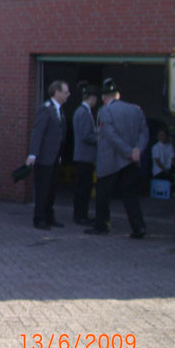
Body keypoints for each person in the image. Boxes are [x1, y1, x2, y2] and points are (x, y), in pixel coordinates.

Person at [86, 78, 149, 238]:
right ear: (117, 95)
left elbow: (110, 135)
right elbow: (144, 132)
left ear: (103, 97)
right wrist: (137, 150)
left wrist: (128, 151)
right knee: (130, 195)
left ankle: (102, 226)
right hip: (131, 161)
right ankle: (139, 227)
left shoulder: (105, 111)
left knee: (103, 194)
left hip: (111, 161)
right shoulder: (136, 109)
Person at [25, 79, 70, 230]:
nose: (68, 95)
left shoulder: (60, 110)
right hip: (45, 158)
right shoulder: (46, 109)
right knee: (43, 189)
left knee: (52, 189)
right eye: (65, 92)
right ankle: (39, 218)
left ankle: (49, 216)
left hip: (55, 157)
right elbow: (37, 133)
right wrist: (33, 154)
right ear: (56, 92)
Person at [72, 82, 98, 226]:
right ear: (92, 97)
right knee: (84, 188)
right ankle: (81, 215)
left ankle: (81, 214)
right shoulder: (84, 113)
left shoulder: (81, 111)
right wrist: (100, 138)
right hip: (85, 156)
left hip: (84, 155)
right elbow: (86, 136)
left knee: (83, 187)